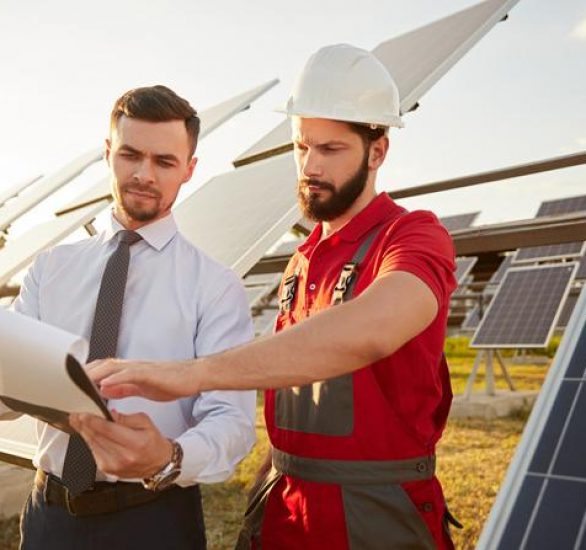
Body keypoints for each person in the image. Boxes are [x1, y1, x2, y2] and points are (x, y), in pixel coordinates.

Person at [73, 45, 458, 549]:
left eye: (331, 149)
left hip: (376, 514)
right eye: (302, 147)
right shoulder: (302, 261)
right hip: (286, 505)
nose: (310, 165)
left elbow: (374, 329)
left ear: (378, 151)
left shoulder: (412, 236)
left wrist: (191, 373)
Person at [0, 85, 256, 549]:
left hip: (154, 519)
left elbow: (231, 424)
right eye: (130, 155)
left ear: (190, 169)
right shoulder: (50, 269)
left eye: (164, 162)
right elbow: (7, 389)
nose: (143, 174)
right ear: (108, 153)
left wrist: (169, 457)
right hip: (50, 519)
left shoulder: (214, 287)